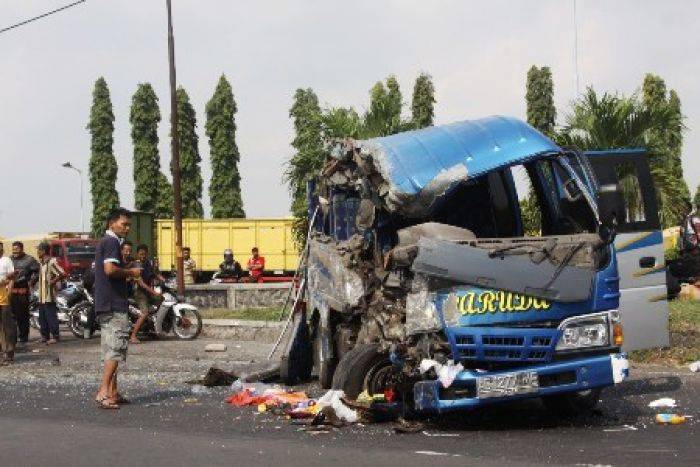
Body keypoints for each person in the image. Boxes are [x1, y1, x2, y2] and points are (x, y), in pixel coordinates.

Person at [94, 208, 141, 410]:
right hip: (114, 304)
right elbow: (110, 270)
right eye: (124, 224)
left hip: (105, 303)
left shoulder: (107, 242)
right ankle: (103, 392)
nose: (127, 228)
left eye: (129, 224)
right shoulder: (112, 242)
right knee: (115, 350)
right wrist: (131, 272)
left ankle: (112, 392)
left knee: (110, 350)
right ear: (112, 223)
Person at [129, 244, 164, 344]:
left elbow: (155, 274)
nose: (143, 256)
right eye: (141, 254)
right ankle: (133, 336)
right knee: (145, 313)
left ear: (147, 254)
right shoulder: (136, 265)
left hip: (148, 292)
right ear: (137, 254)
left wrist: (164, 281)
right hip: (140, 293)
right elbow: (142, 284)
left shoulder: (148, 263)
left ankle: (152, 328)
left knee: (162, 300)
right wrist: (154, 292)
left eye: (144, 254)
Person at [10, 241, 40, 347]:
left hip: (23, 292)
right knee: (11, 316)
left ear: (22, 249)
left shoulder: (29, 260)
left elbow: (38, 270)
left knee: (22, 316)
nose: (15, 251)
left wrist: (32, 281)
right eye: (13, 249)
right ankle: (12, 337)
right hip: (10, 292)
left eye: (17, 249)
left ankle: (23, 337)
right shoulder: (9, 260)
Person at [36, 242, 66, 344]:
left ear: (43, 251)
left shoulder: (51, 262)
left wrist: (53, 281)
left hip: (49, 295)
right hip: (41, 296)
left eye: (39, 250)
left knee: (51, 317)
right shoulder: (41, 263)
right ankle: (45, 336)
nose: (37, 252)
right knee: (42, 318)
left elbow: (62, 273)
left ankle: (55, 336)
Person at [0, 242, 17, 365]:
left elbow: (12, 278)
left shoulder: (6, 260)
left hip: (3, 298)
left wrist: (9, 292)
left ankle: (9, 352)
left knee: (7, 326)